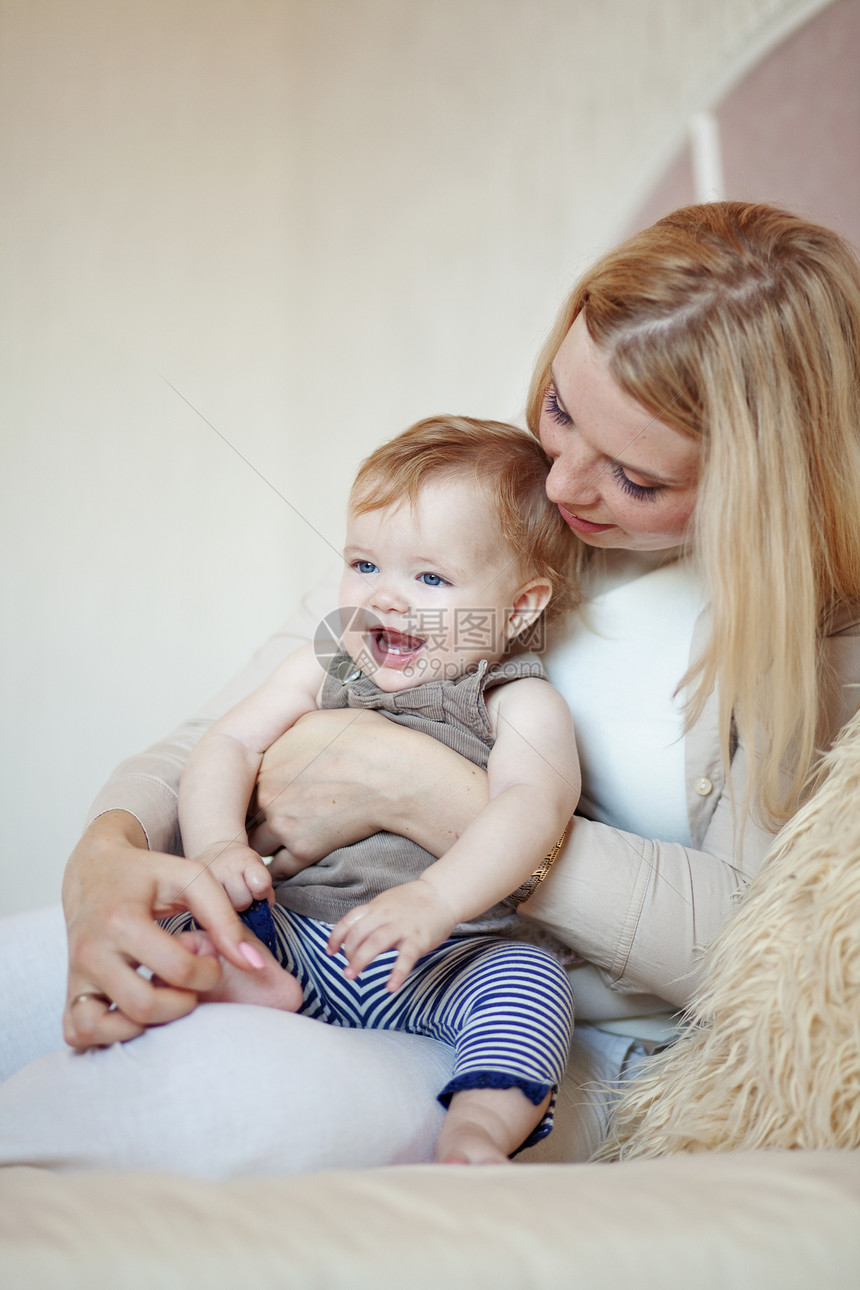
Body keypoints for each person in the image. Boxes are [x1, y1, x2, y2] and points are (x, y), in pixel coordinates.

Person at [1, 201, 859, 1177]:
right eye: (560, 409)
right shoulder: (490, 523)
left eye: (632, 477)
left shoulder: (816, 648)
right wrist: (103, 863)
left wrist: (417, 790)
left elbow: (757, 948)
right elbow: (213, 734)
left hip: (523, 1023)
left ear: (762, 481)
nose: (564, 482)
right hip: (316, 932)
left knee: (199, 1099)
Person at [169, 416, 579, 1164]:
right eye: (363, 565)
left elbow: (534, 808)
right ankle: (242, 981)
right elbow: (225, 743)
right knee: (180, 917)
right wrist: (219, 846)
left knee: (532, 983)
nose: (384, 599)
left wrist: (437, 900)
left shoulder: (514, 700)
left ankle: (480, 1127)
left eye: (429, 578)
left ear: (519, 608)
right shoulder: (329, 666)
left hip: (447, 960)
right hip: (296, 935)